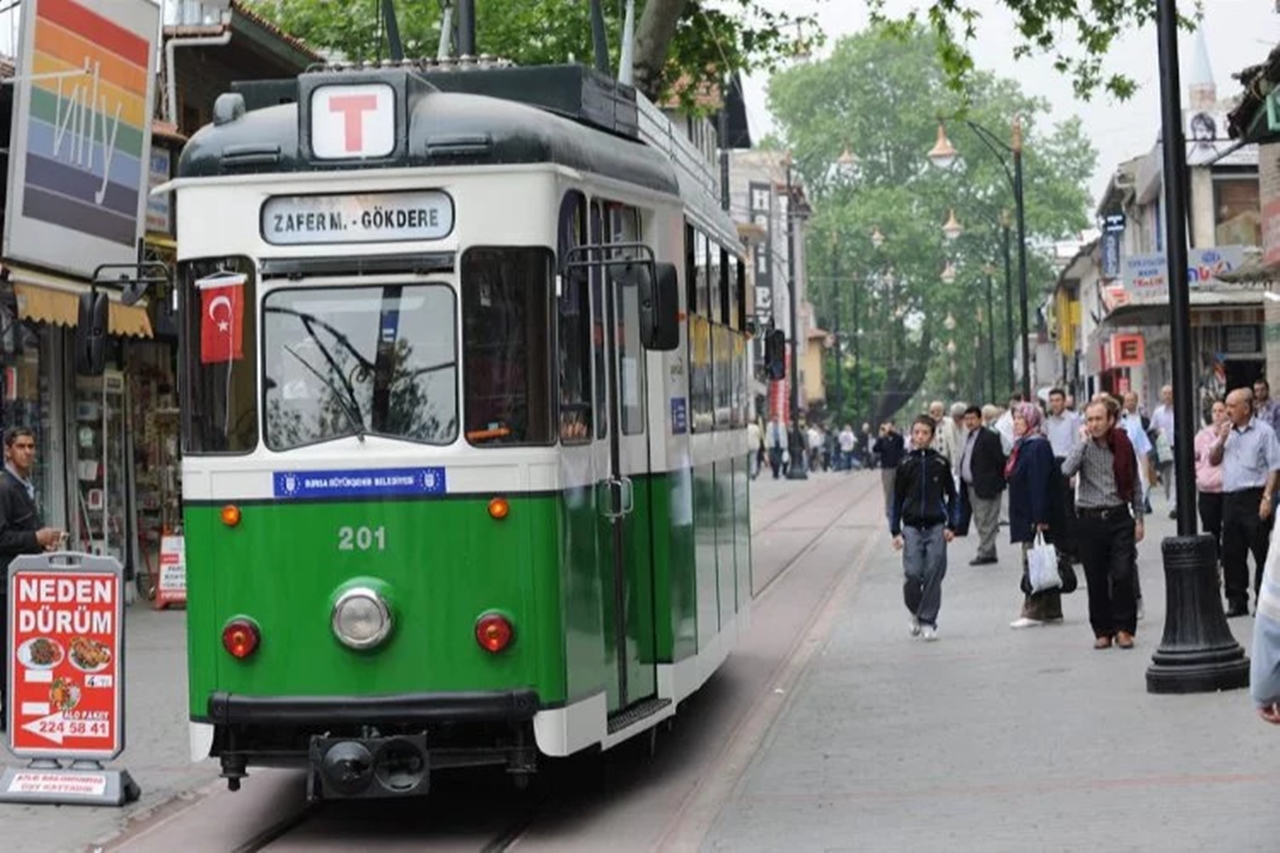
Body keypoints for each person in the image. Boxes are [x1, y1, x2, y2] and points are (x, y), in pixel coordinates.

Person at [1062, 397, 1144, 649]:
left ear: (1111, 420)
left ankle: (1124, 629)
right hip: (1090, 519)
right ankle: (1103, 630)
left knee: (1122, 574)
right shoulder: (1084, 446)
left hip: (1119, 516)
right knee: (1095, 578)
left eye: (1099, 419)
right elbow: (1066, 469)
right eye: (1090, 419)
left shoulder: (1122, 442)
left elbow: (1135, 482)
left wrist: (1139, 518)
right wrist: (1083, 442)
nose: (1094, 424)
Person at [0, 427, 64, 729]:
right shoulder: (4, 487)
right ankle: (7, 714)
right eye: (21, 446)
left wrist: (43, 541)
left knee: (19, 649)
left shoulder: (23, 485)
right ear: (7, 451)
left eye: (32, 446)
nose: (28, 452)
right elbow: (2, 538)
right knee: (7, 651)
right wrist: (34, 538)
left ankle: (14, 711)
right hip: (6, 583)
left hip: (22, 583)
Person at [1210, 387, 1280, 617]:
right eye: (1226, 406)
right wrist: (1221, 439)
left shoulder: (1264, 432)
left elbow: (1274, 467)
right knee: (1232, 551)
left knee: (1260, 550)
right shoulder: (1225, 431)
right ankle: (1236, 600)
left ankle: (1263, 599)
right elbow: (1213, 460)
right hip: (1230, 497)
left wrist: (1267, 498)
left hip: (1255, 495)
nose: (1227, 411)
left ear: (1246, 408)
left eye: (1231, 406)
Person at [890, 415, 958, 641]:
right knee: (912, 573)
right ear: (912, 434)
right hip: (910, 527)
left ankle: (928, 620)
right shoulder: (905, 464)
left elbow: (952, 496)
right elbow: (896, 498)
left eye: (924, 433)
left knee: (933, 572)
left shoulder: (940, 463)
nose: (920, 437)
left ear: (931, 435)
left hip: (936, 525)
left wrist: (952, 525)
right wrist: (895, 530)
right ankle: (915, 610)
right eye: (916, 432)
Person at [1006, 404, 1065, 628]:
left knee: (1034, 561)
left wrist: (1040, 517)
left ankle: (1033, 609)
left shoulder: (1037, 446)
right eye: (1015, 418)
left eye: (1021, 418)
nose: (1016, 422)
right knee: (1045, 558)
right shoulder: (1024, 445)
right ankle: (1051, 609)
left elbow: (1039, 484)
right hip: (1027, 512)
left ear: (1031, 421)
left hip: (1033, 515)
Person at [958, 405, 1005, 566]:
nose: (969, 422)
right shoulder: (969, 436)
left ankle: (985, 552)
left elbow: (999, 461)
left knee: (987, 520)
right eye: (967, 419)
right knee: (980, 520)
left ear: (980, 419)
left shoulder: (989, 436)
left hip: (987, 486)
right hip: (971, 486)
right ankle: (990, 551)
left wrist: (993, 481)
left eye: (972, 418)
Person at [1194, 399, 1227, 563]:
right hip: (1207, 490)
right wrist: (1199, 474)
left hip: (1227, 490)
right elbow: (1194, 457)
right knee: (1210, 530)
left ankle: (1226, 561)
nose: (1218, 414)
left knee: (1228, 531)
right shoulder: (1202, 435)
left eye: (1221, 410)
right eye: (1215, 411)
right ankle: (1214, 563)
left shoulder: (1232, 433)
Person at [1151, 384, 1177, 517]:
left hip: (1176, 446)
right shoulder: (1158, 412)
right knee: (1166, 478)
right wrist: (1157, 433)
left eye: (1170, 393)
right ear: (1162, 396)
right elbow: (1152, 428)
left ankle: (1174, 505)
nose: (1167, 396)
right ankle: (1169, 501)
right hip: (1164, 448)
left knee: (1175, 477)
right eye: (1165, 393)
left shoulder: (1178, 409)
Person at [873, 422, 906, 517]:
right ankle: (889, 510)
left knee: (900, 490)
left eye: (890, 427)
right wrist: (881, 437)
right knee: (888, 491)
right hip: (887, 469)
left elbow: (901, 441)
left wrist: (891, 431)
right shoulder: (882, 440)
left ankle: (900, 509)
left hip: (898, 468)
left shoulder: (897, 438)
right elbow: (875, 449)